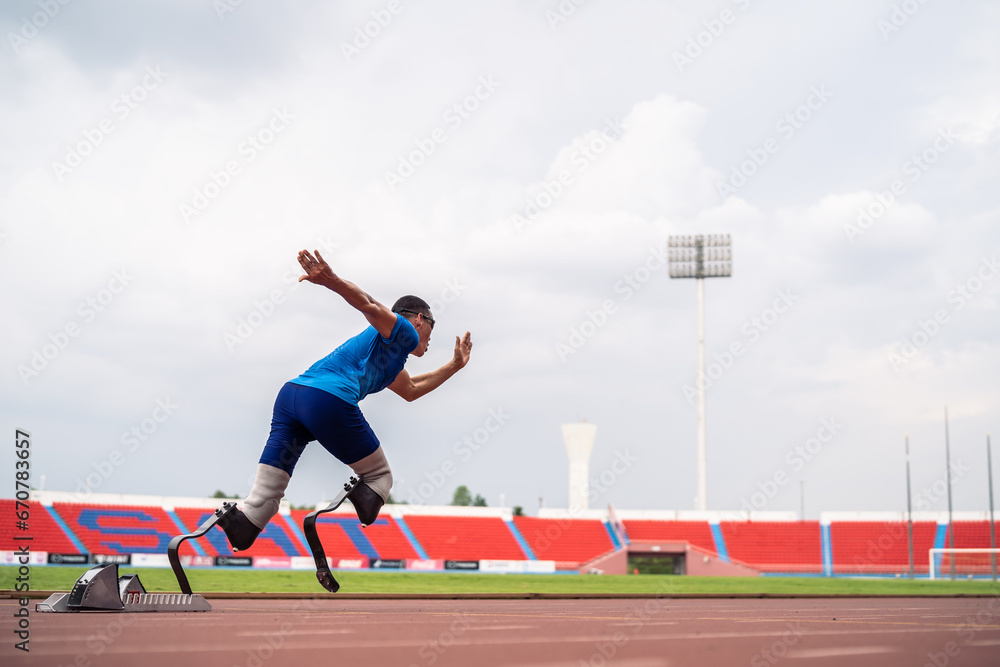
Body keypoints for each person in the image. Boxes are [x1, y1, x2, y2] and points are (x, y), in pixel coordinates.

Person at [219, 248, 473, 550]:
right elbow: (368, 304)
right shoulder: (403, 331)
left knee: (265, 497)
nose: (430, 339)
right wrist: (330, 280)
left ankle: (245, 523)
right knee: (379, 477)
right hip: (326, 400)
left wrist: (454, 366)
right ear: (420, 319)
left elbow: (412, 390)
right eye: (432, 327)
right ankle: (363, 500)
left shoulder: (389, 358)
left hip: (291, 398)